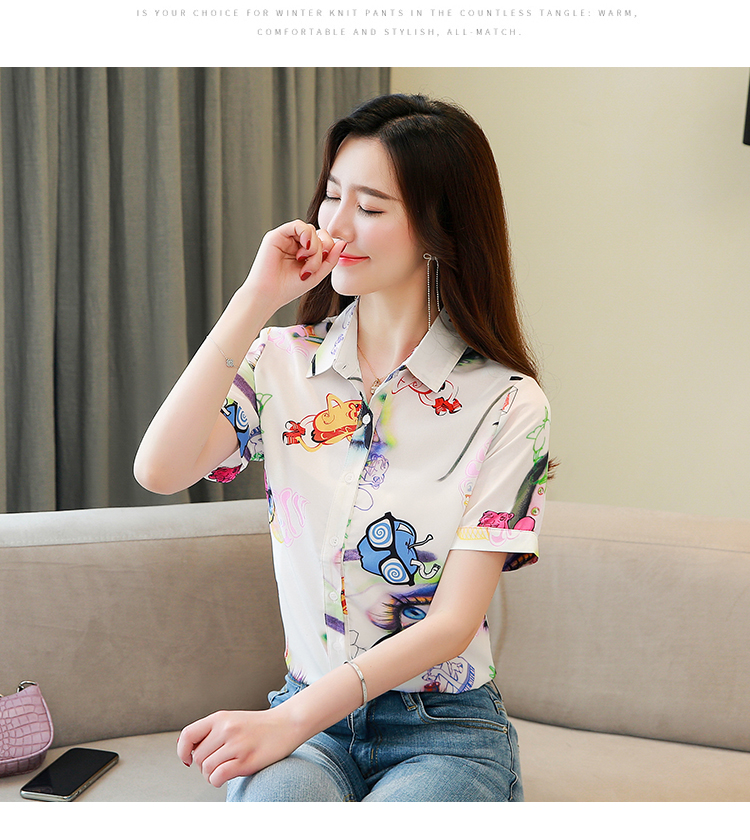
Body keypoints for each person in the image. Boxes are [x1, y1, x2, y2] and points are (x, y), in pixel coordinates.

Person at [134, 93, 551, 802]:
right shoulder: (280, 364)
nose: (335, 225)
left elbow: (451, 625)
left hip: (444, 729)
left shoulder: (509, 405)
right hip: (310, 722)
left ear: (440, 228)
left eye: (370, 206)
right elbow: (160, 469)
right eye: (332, 196)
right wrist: (255, 297)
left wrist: (287, 721)